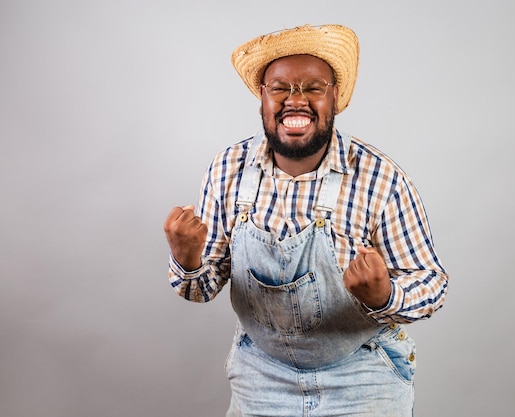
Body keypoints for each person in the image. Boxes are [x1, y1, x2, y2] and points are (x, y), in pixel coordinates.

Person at [164, 24, 449, 417]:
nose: (295, 101)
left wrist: (385, 297)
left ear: (335, 97)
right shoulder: (227, 170)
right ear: (262, 98)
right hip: (261, 377)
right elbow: (200, 289)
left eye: (313, 87)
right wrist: (187, 259)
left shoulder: (379, 178)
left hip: (362, 376)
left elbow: (430, 283)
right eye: (280, 88)